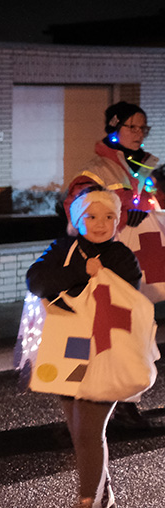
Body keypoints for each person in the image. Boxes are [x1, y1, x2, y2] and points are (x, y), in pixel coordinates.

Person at [26, 189, 141, 508]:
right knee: (80, 432)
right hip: (67, 351)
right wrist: (81, 270)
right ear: (77, 220)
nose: (100, 223)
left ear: (117, 220)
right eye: (91, 216)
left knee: (90, 430)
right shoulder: (64, 249)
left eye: (108, 216)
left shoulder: (122, 257)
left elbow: (125, 298)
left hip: (106, 352)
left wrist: (92, 277)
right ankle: (103, 491)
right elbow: (36, 280)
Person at [66, 102, 163, 430]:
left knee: (137, 334)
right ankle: (108, 405)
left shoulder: (145, 169)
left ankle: (124, 401)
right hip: (107, 269)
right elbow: (77, 212)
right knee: (111, 337)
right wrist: (120, 212)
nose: (139, 133)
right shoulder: (96, 170)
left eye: (142, 127)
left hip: (140, 268)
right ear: (114, 127)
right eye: (131, 126)